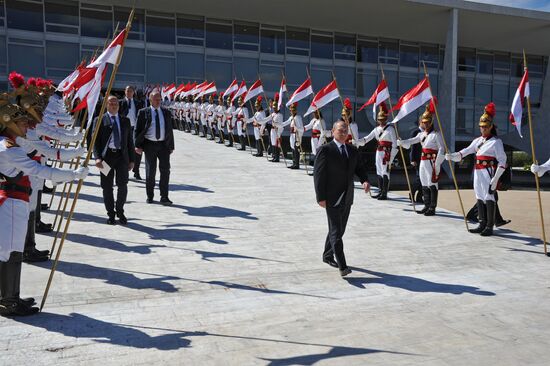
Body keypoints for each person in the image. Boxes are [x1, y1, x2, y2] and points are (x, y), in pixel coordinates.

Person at [0, 101, 88, 316]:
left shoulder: (9, 143)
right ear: (8, 124)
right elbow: (40, 171)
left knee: (10, 251)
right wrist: (73, 175)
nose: (25, 126)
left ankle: (10, 297)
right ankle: (8, 302)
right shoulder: (9, 149)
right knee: (11, 252)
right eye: (21, 123)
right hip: (12, 202)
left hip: (14, 200)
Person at [314, 120, 370, 277]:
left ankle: (327, 255)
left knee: (338, 229)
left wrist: (365, 180)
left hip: (347, 197)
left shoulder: (352, 150)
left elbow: (359, 168)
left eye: (345, 130)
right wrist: (320, 197)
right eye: (340, 130)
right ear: (333, 132)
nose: (344, 132)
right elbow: (319, 176)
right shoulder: (325, 150)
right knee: (336, 232)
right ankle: (343, 266)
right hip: (331, 197)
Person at [446, 102, 507, 236]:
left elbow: (503, 161)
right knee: (479, 196)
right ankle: (482, 223)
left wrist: (495, 179)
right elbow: (465, 152)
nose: (483, 129)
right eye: (481, 127)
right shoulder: (477, 141)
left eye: (485, 127)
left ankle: (490, 226)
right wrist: (452, 156)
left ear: (491, 127)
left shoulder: (496, 142)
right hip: (478, 172)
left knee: (489, 197)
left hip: (488, 172)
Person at [397, 101, 445, 216]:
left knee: (432, 183)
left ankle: (432, 207)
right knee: (424, 182)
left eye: (427, 122)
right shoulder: (421, 134)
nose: (425, 124)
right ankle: (426, 205)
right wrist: (402, 142)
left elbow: (442, 149)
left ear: (431, 122)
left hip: (431, 161)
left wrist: (437, 164)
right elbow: (412, 141)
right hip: (423, 161)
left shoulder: (436, 134)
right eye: (424, 122)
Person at [93, 96, 135, 224]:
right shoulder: (100, 120)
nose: (114, 106)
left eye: (116, 103)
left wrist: (132, 160)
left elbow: (129, 142)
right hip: (106, 158)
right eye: (111, 104)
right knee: (107, 187)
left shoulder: (125, 121)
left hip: (122, 157)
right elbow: (95, 141)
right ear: (106, 105)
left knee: (123, 185)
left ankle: (120, 211)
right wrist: (97, 158)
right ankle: (111, 214)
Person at [134, 90, 175, 206]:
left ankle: (164, 196)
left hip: (163, 145)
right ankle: (150, 195)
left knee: (165, 171)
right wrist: (137, 145)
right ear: (150, 100)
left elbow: (169, 130)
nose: (158, 101)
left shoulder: (166, 112)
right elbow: (137, 130)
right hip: (149, 144)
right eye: (156, 99)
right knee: (150, 171)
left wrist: (171, 146)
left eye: (159, 99)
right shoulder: (143, 112)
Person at [358, 103, 397, 200]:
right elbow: (367, 139)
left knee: (385, 172)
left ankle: (384, 193)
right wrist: (358, 141)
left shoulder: (390, 129)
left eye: (382, 119)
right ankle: (380, 190)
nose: (381, 121)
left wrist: (391, 157)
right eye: (379, 119)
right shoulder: (376, 129)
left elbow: (395, 145)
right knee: (379, 171)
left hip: (387, 153)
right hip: (379, 152)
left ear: (386, 119)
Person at [119, 86, 144, 180]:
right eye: (127, 91)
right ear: (125, 92)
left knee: (137, 150)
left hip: (135, 129)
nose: (129, 93)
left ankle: (136, 171)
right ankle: (124, 169)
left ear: (134, 92)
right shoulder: (120, 102)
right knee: (125, 149)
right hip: (124, 129)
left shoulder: (138, 103)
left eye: (131, 91)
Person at [281, 102, 303, 169]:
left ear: (295, 110)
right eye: (290, 110)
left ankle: (297, 164)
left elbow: (301, 129)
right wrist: (278, 124)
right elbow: (284, 123)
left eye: (293, 110)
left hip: (296, 136)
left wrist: (298, 130)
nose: (291, 112)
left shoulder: (298, 117)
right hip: (292, 135)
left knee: (296, 150)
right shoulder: (291, 118)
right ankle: (294, 163)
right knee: (293, 149)